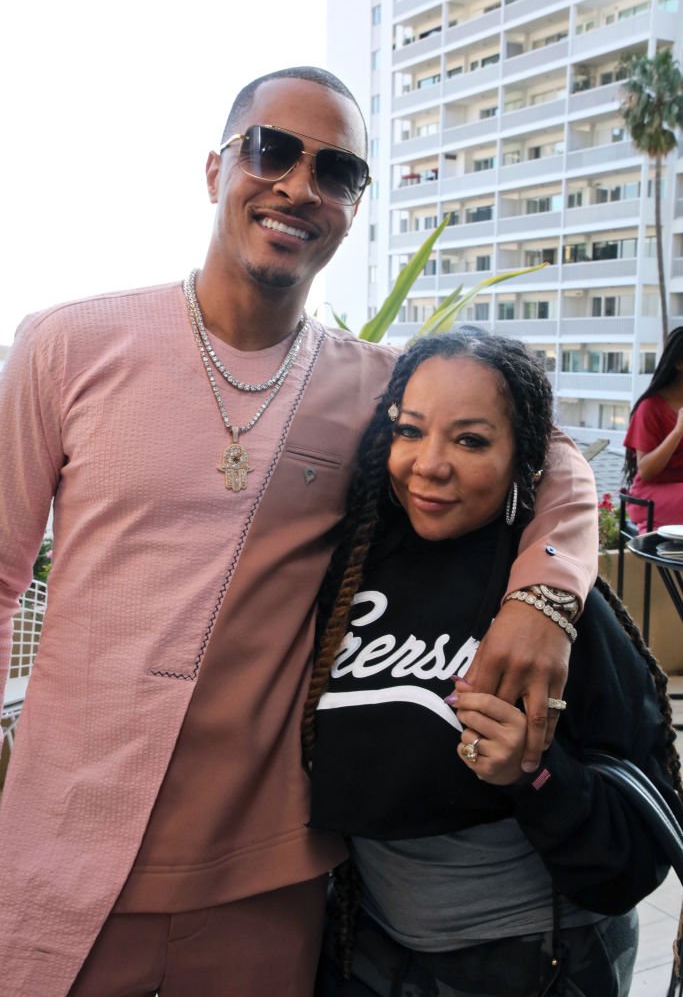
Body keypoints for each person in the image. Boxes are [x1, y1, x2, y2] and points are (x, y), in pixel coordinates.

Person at [0, 68, 597, 997]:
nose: (298, 187)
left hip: (266, 876)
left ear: (354, 207)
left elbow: (549, 448)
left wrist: (544, 597)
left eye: (339, 171)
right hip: (61, 855)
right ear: (215, 169)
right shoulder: (66, 346)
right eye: (272, 151)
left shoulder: (374, 388)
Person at [305, 330, 681, 997]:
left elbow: (636, 845)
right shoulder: (351, 563)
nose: (429, 464)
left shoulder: (554, 609)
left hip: (533, 961)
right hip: (365, 949)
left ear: (521, 459)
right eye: (410, 431)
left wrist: (532, 775)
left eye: (471, 441)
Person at [623, 327, 683, 531]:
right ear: (678, 363)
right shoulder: (650, 407)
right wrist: (677, 432)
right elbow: (646, 470)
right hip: (650, 495)